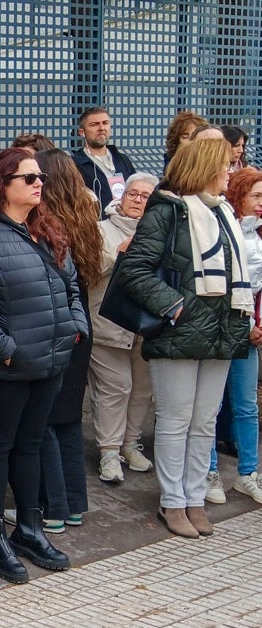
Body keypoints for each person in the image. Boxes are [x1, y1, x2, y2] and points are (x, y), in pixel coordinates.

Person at [0, 147, 87, 583]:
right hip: (2, 370)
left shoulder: (45, 231)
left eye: (40, 177)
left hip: (48, 362)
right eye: (28, 178)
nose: (38, 183)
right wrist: (6, 349)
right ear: (2, 185)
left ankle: (28, 527)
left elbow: (72, 288)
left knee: (30, 446)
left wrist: (73, 328)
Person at [117, 138, 251, 538]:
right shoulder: (167, 211)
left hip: (222, 330)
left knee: (204, 421)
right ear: (207, 167)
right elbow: (135, 270)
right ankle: (172, 501)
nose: (230, 171)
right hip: (179, 331)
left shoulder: (224, 211)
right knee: (176, 421)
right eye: (225, 165)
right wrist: (176, 308)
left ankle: (194, 497)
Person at [30, 149, 98, 529]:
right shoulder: (85, 213)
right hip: (81, 321)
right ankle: (74, 504)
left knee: (46, 421)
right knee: (69, 417)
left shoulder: (46, 223)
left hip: (57, 324)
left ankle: (52, 509)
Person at [90, 173, 159, 483]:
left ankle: (130, 444)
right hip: (108, 323)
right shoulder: (100, 230)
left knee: (142, 390)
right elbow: (88, 270)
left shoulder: (160, 232)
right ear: (122, 196)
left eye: (146, 196)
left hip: (145, 327)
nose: (138, 201)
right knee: (115, 389)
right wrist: (120, 251)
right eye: (133, 194)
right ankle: (108, 451)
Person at [207, 167, 262, 503]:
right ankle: (210, 472)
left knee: (246, 405)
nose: (261, 203)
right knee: (210, 406)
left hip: (250, 331)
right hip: (219, 329)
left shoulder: (260, 234)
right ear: (238, 194)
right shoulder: (222, 227)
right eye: (256, 195)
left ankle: (248, 473)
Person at [71, 106, 137, 218]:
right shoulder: (74, 164)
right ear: (82, 132)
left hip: (126, 224)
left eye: (105, 123)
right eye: (94, 124)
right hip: (95, 226)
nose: (101, 128)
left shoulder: (122, 159)